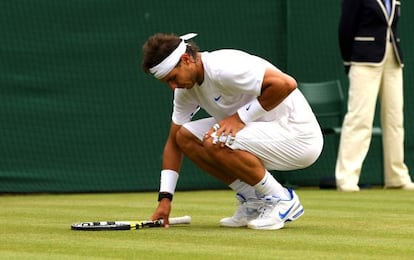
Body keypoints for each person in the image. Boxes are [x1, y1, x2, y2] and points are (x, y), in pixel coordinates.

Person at [141, 32, 323, 230]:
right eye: (167, 82)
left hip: (299, 138)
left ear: (186, 60)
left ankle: (281, 199)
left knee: (216, 139)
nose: (173, 86)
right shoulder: (185, 90)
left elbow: (286, 84)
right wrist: (165, 199)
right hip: (262, 136)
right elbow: (173, 144)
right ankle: (253, 201)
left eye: (173, 78)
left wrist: (239, 119)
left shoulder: (222, 67)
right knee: (184, 136)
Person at [336, 0, 413, 191]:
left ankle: (396, 177)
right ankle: (347, 178)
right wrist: (349, 62)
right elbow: (346, 28)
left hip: (393, 60)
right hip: (364, 61)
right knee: (359, 119)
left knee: (395, 121)